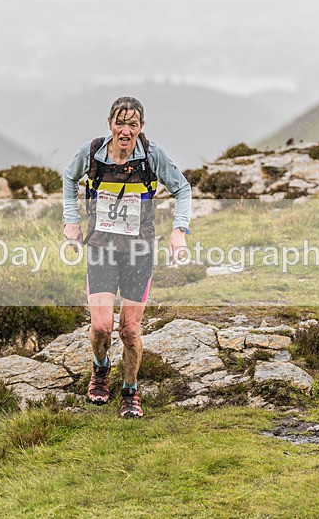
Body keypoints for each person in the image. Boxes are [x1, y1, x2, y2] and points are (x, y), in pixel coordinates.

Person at [63, 96, 191, 418]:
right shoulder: (92, 153)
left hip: (139, 251)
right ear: (109, 124)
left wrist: (179, 231)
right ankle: (101, 368)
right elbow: (68, 178)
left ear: (141, 127)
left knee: (130, 331)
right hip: (101, 249)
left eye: (132, 124)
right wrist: (72, 219)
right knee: (102, 327)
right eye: (120, 123)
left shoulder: (151, 155)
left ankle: (130, 392)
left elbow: (183, 189)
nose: (125, 130)